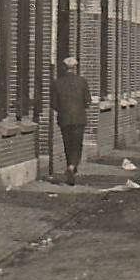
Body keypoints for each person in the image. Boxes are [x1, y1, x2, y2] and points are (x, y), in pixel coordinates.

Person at [50, 56, 93, 185]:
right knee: (77, 144)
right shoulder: (82, 82)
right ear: (75, 68)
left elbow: (54, 103)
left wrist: (63, 110)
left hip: (64, 118)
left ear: (64, 67)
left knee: (67, 144)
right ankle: (72, 166)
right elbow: (88, 101)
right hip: (79, 118)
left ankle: (70, 165)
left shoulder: (57, 82)